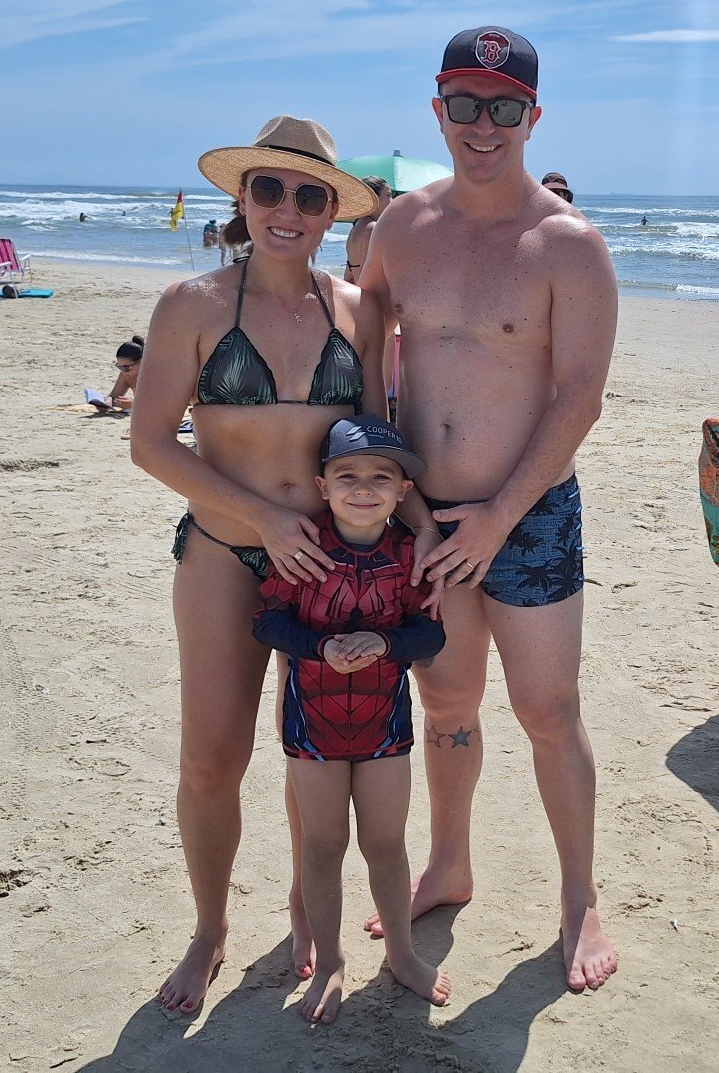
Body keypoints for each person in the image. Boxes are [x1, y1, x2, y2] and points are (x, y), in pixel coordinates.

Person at [358, 25, 619, 992]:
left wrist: (502, 516)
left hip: (531, 513)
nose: (482, 125)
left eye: (503, 108)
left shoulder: (569, 244)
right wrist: (410, 504)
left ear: (531, 117)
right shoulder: (401, 228)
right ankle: (450, 862)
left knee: (549, 708)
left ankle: (579, 893)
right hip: (427, 512)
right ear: (438, 110)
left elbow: (579, 396)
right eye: (463, 104)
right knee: (448, 700)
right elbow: (370, 355)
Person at [129, 115, 386, 1017]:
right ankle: (208, 929)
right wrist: (267, 518)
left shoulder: (356, 311)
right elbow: (153, 445)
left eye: (309, 195)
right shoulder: (192, 305)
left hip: (329, 561)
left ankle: (304, 908)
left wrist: (416, 534)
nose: (287, 209)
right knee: (211, 757)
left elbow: (379, 444)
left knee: (314, 753)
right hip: (225, 551)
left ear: (328, 214)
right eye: (269, 189)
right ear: (241, 199)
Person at [256, 415, 453, 1023]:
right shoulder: (303, 546)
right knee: (323, 844)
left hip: (386, 726)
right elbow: (267, 621)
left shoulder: (408, 554)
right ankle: (333, 955)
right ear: (322, 485)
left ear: (401, 493)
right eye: (347, 475)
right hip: (310, 721)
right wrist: (319, 648)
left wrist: (384, 643)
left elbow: (430, 634)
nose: (363, 488)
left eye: (381, 477)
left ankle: (401, 951)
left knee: (387, 843)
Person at [342, 176, 391, 284]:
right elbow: (368, 279)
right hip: (365, 296)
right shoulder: (371, 228)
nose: (392, 201)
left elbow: (349, 274)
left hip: (355, 292)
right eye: (388, 195)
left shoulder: (356, 225)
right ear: (374, 198)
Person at [94, 335, 143, 413]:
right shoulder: (126, 375)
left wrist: (134, 405)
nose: (124, 371)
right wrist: (107, 402)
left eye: (127, 367)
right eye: (120, 367)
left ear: (142, 362)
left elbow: (164, 403)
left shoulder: (155, 375)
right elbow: (113, 395)